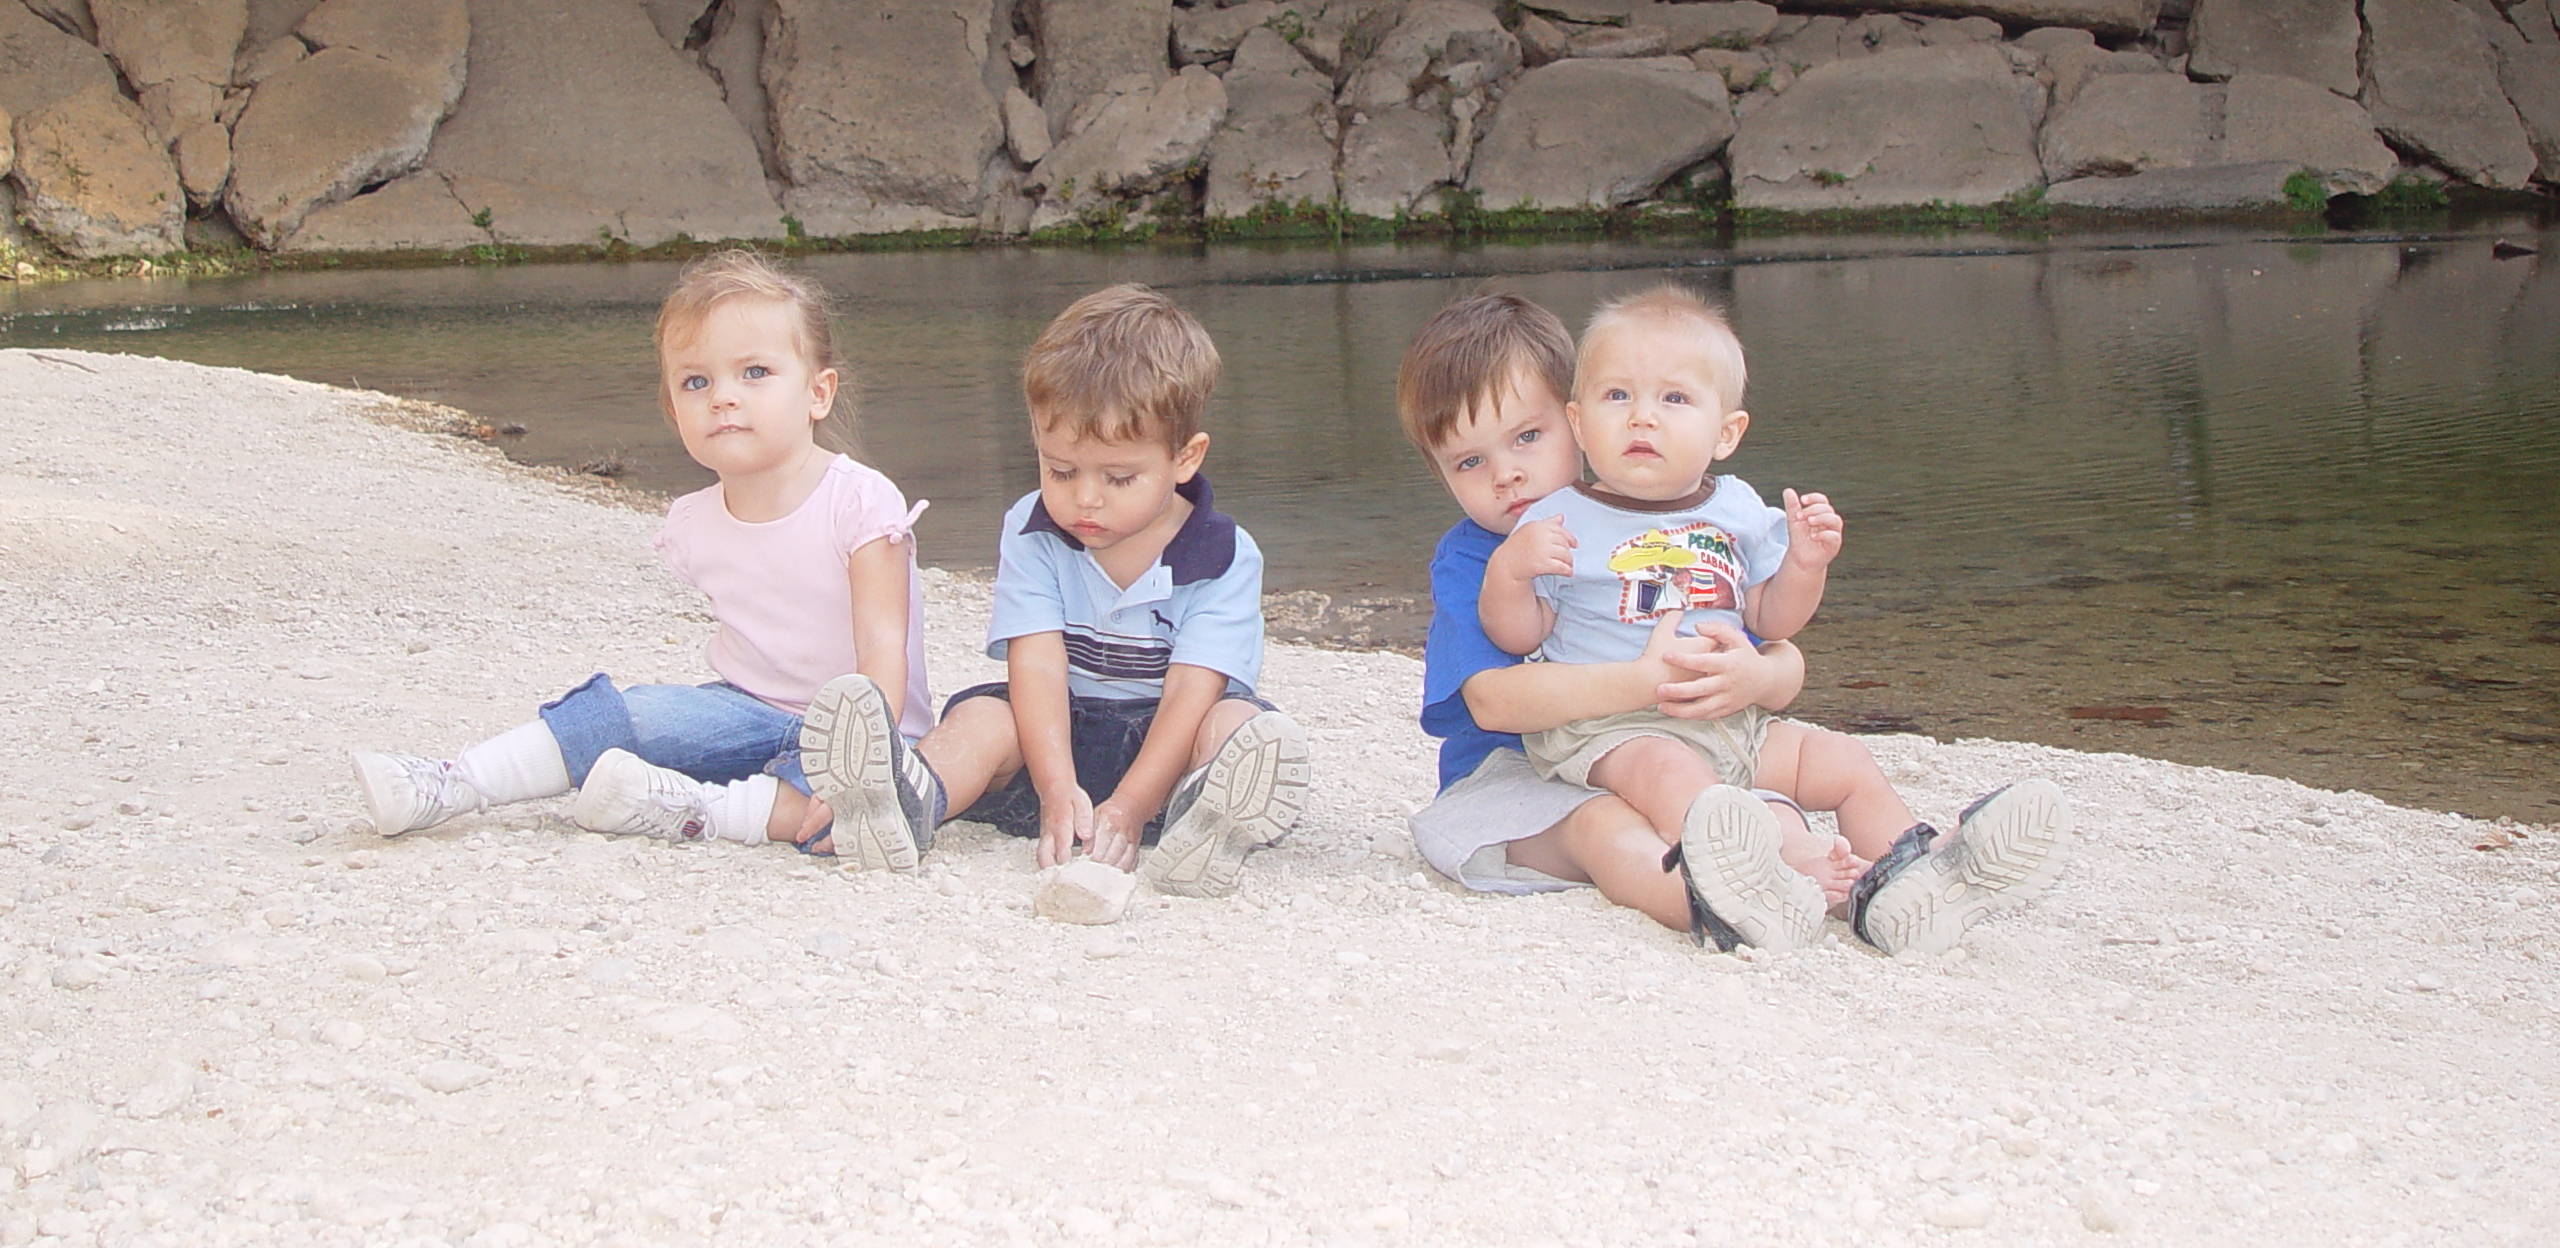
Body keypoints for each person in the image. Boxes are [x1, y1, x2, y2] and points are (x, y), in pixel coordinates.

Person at [1412, 286, 2072, 954]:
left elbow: (1777, 648)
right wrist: (1522, 581)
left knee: (1804, 782)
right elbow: (1498, 691)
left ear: (1572, 421)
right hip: (1538, 773)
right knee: (1624, 823)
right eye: (1470, 462)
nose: (1507, 476)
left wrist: (1783, 617)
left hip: (1718, 736)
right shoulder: (1517, 544)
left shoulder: (1708, 515)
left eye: (1528, 436)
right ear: (1591, 418)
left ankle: (1900, 875)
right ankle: (1727, 897)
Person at [347, 250, 931, 861]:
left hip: (864, 728)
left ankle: (694, 810)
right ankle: (453, 783)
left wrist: (865, 759)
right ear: (672, 408)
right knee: (629, 713)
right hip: (742, 707)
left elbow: (883, 649)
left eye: (755, 372)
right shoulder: (693, 521)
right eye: (696, 382)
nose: (723, 398)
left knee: (824, 797)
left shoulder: (859, 501)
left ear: (818, 392)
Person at [802, 283, 1309, 899]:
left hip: (1167, 751)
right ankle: (905, 800)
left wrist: (1131, 805)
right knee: (983, 719)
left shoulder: (1224, 555)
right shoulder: (1031, 528)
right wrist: (1055, 786)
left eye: (1119, 477)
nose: (1084, 498)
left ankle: (1205, 820)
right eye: (1060, 470)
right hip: (1053, 735)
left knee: (1234, 720)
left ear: (1185, 458)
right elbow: (1038, 665)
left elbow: (1188, 692)